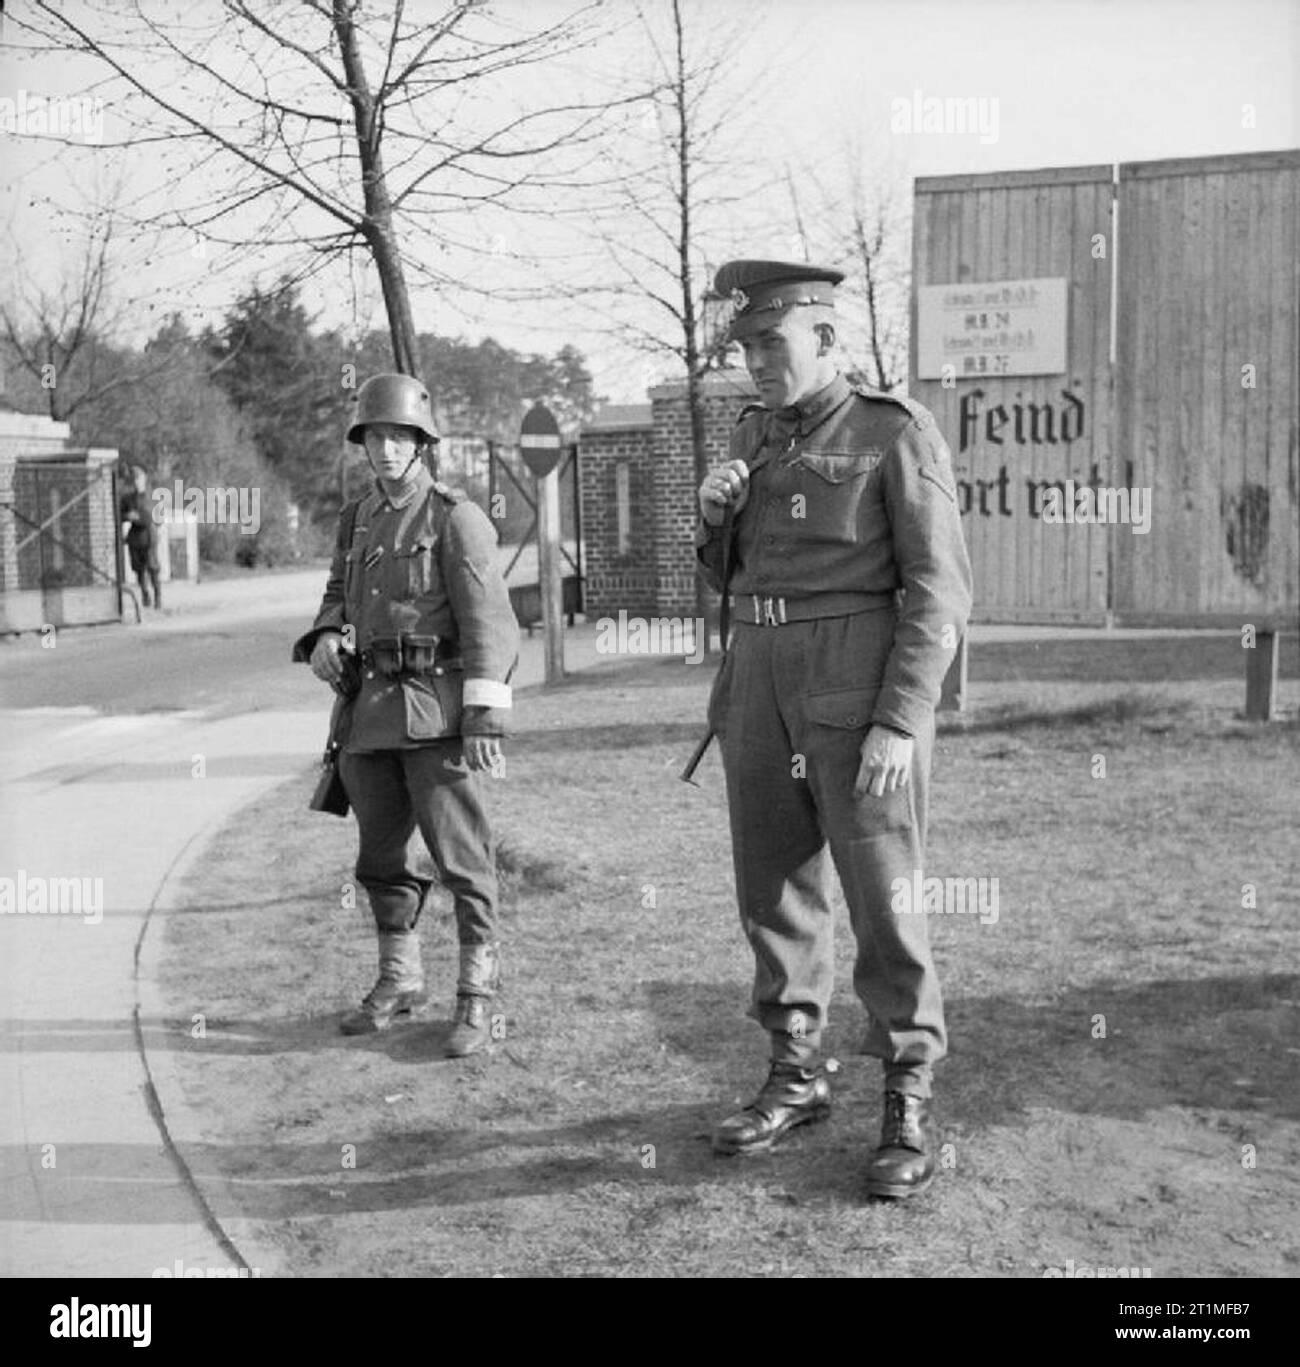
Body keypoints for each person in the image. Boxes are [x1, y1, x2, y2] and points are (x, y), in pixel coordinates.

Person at [695, 259, 973, 1198]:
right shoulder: (750, 435)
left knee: (883, 894)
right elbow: (731, 575)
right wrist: (712, 521)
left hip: (855, 690)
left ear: (824, 338)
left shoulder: (893, 430)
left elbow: (940, 591)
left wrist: (902, 717)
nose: (754, 363)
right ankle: (797, 1069)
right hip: (758, 683)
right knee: (772, 887)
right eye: (744, 348)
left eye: (771, 344)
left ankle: (906, 1092)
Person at [292, 373, 519, 1056]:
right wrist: (327, 635)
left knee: (462, 859)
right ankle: (399, 977)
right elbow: (338, 591)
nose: (386, 448)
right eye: (375, 436)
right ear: (363, 444)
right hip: (368, 716)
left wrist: (483, 720)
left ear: (423, 443)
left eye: (400, 436)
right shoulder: (357, 518)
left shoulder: (456, 517)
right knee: (379, 856)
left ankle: (476, 992)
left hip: (438, 715)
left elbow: (492, 625)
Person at [119, 464, 162, 609]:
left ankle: (158, 597)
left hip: (149, 535)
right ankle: (145, 594)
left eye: (139, 478)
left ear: (144, 479)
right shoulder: (127, 499)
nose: (137, 482)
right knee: (138, 568)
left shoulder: (153, 496)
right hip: (135, 536)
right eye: (134, 479)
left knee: (153, 567)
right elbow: (120, 515)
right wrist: (128, 516)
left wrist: (143, 517)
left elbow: (159, 518)